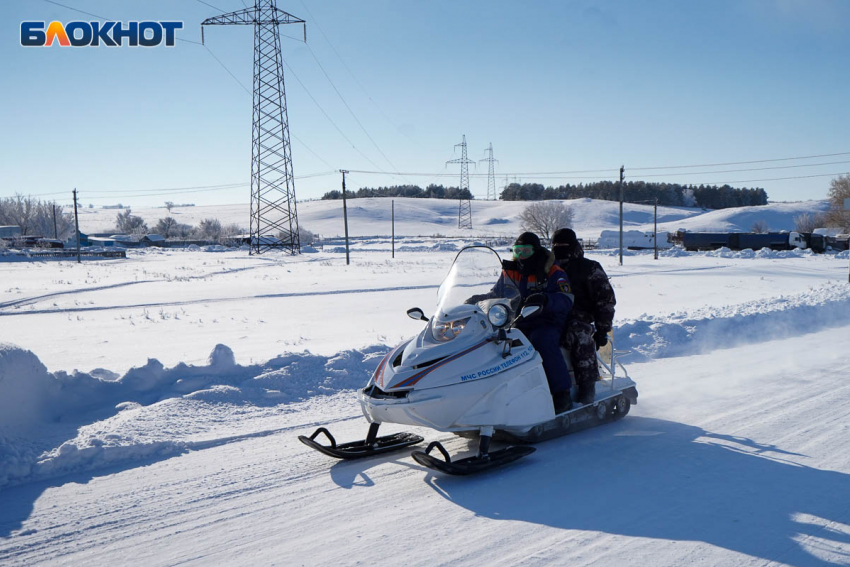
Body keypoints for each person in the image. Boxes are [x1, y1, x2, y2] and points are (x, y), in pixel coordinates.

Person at [470, 232, 575, 413]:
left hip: (548, 320)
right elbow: (497, 293)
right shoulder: (510, 271)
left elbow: (566, 298)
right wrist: (478, 300)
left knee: (541, 340)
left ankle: (561, 394)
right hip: (517, 320)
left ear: (536, 250)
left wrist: (545, 300)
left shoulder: (552, 270)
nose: (521, 256)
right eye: (518, 251)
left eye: (526, 251)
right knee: (496, 344)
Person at [551, 228, 617, 405]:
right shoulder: (547, 267)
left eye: (564, 245)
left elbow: (605, 300)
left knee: (579, 336)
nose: (560, 249)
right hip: (549, 315)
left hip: (579, 317)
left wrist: (603, 329)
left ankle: (587, 387)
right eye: (556, 245)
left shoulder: (589, 268)